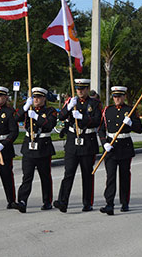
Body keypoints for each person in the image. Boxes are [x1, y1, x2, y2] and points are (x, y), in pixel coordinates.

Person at [54, 79, 102, 213]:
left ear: (87, 89)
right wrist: (68, 107)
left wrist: (82, 117)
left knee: (87, 174)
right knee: (68, 173)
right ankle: (63, 201)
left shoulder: (94, 103)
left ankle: (88, 203)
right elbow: (61, 117)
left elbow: (97, 121)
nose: (80, 91)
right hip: (72, 142)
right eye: (78, 88)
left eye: (83, 88)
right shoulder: (71, 102)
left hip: (87, 142)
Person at [98, 86, 142, 215]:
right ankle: (109, 204)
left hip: (125, 147)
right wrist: (104, 143)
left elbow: (140, 129)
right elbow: (101, 129)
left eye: (119, 96)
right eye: (115, 96)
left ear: (124, 97)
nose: (117, 99)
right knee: (110, 177)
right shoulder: (107, 110)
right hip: (111, 148)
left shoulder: (130, 110)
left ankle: (125, 203)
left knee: (124, 177)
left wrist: (131, 124)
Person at [15, 87, 58, 213]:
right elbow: (15, 119)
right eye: (34, 97)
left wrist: (36, 117)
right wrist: (25, 107)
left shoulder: (50, 111)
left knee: (45, 177)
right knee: (27, 176)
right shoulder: (28, 109)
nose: (36, 100)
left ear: (44, 98)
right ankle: (22, 201)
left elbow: (50, 125)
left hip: (43, 146)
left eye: (39, 97)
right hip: (29, 146)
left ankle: (47, 201)